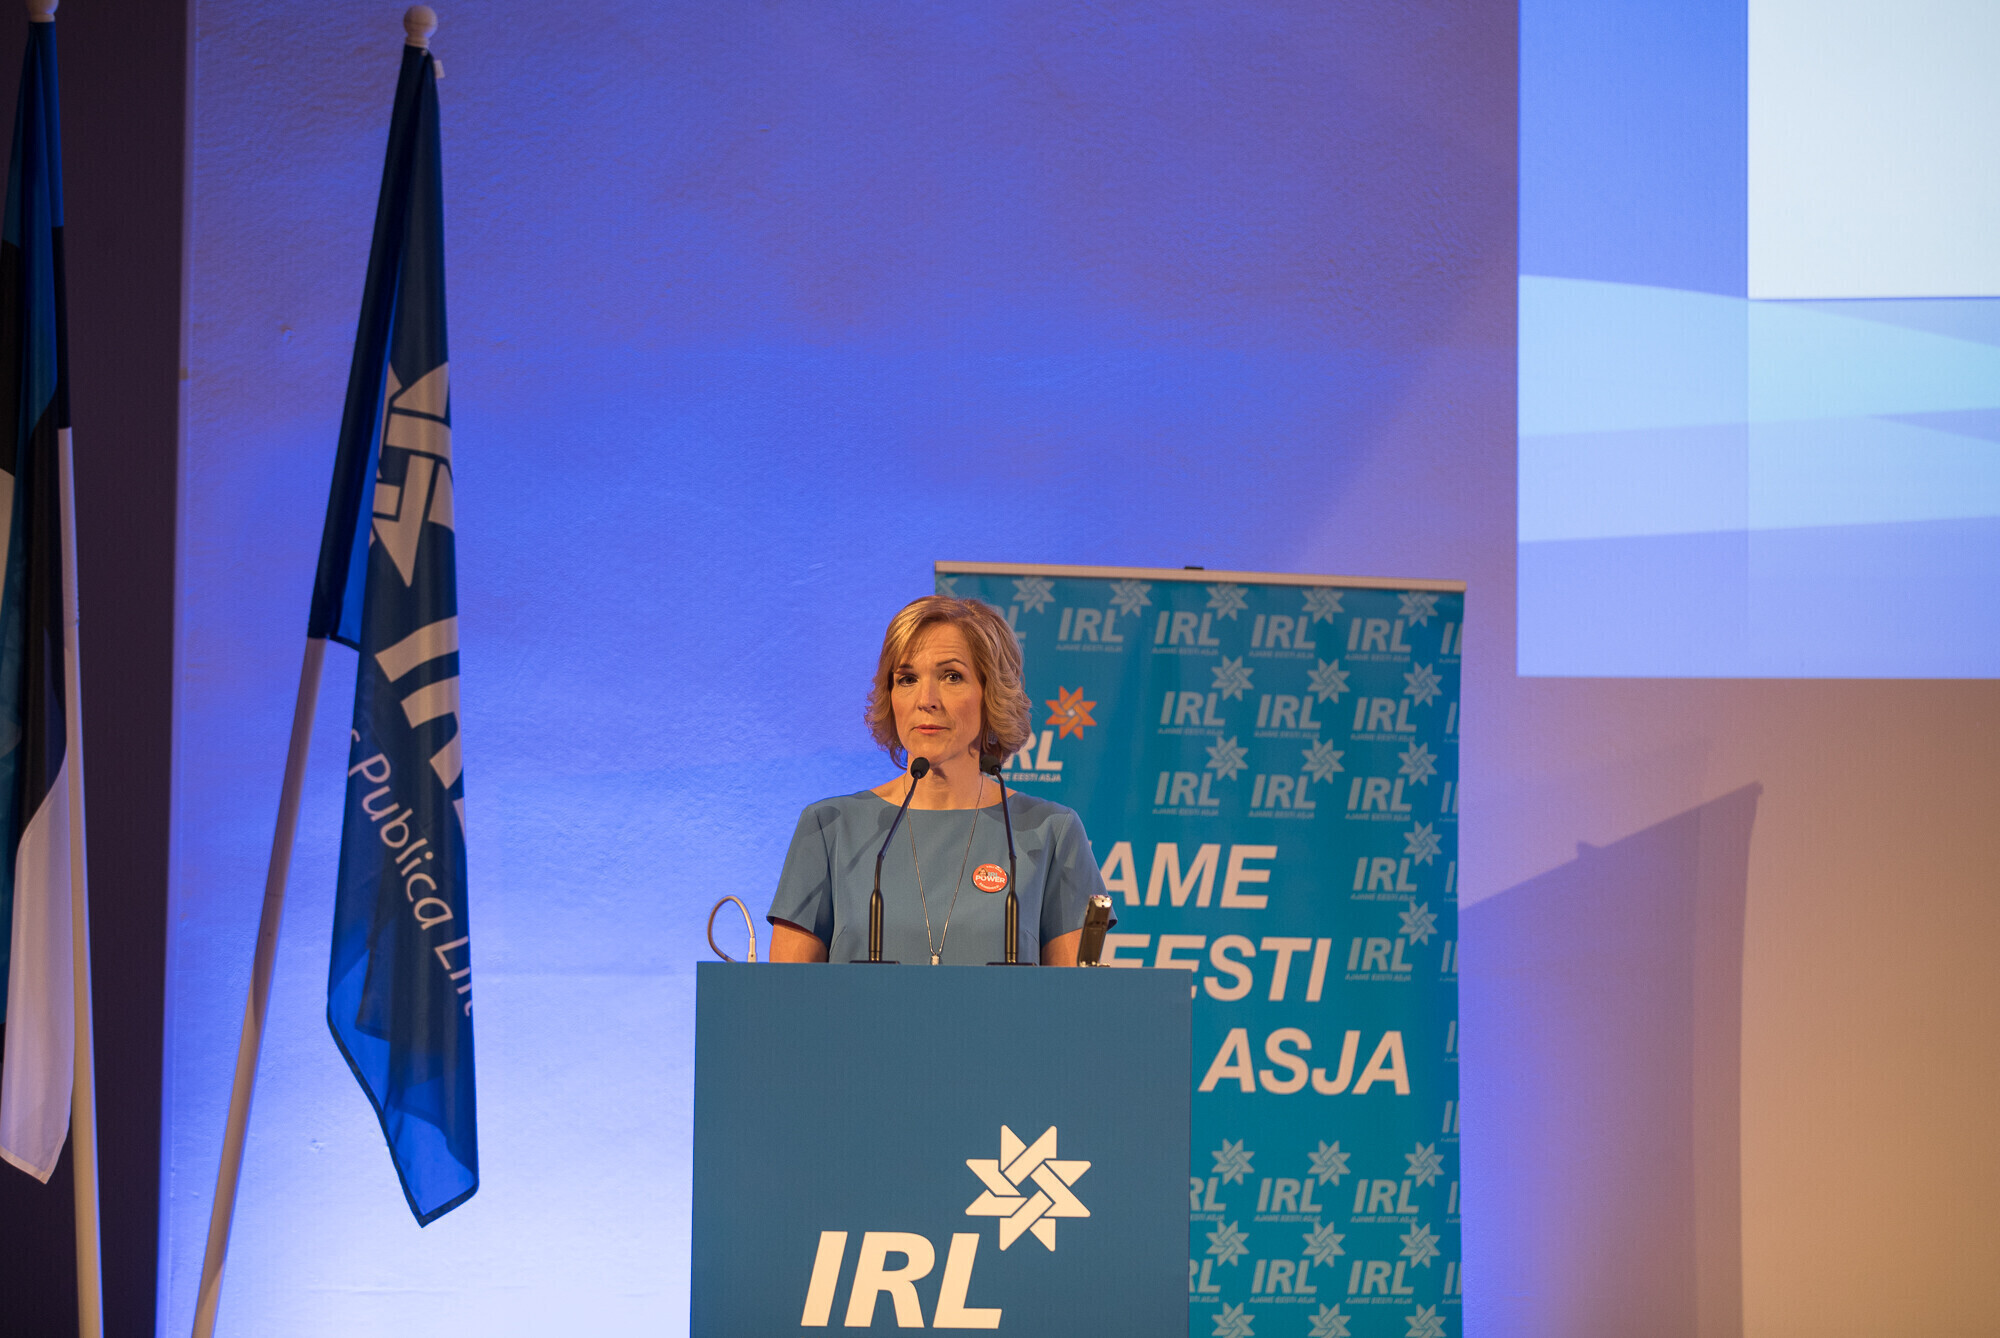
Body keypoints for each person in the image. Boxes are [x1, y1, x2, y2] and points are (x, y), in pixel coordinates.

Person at [767, 596, 1111, 965]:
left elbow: (1072, 997)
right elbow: (784, 994)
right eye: (907, 679)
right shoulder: (829, 827)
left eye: (952, 676)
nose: (926, 700)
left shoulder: (1050, 832)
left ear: (990, 693)